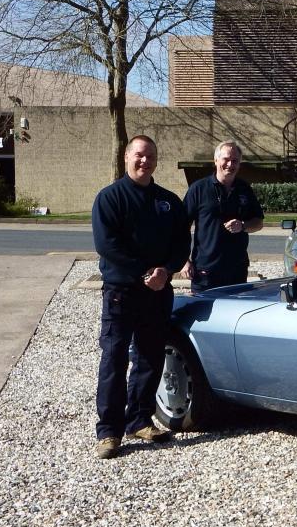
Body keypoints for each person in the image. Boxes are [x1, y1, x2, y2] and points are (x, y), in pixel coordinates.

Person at [91, 135, 190, 459]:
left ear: (156, 161)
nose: (144, 161)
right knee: (115, 359)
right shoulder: (110, 198)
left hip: (158, 292)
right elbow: (108, 246)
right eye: (138, 155)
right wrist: (143, 272)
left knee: (150, 358)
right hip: (122, 292)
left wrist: (167, 270)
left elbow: (181, 244)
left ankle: (139, 419)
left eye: (149, 156)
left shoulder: (168, 201)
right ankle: (109, 432)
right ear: (126, 157)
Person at [179, 140, 264, 292]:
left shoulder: (244, 189)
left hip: (237, 270)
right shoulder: (198, 189)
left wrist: (243, 225)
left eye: (235, 161)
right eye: (226, 159)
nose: (230, 165)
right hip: (205, 271)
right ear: (216, 160)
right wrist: (184, 261)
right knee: (202, 314)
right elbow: (179, 227)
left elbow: (258, 222)